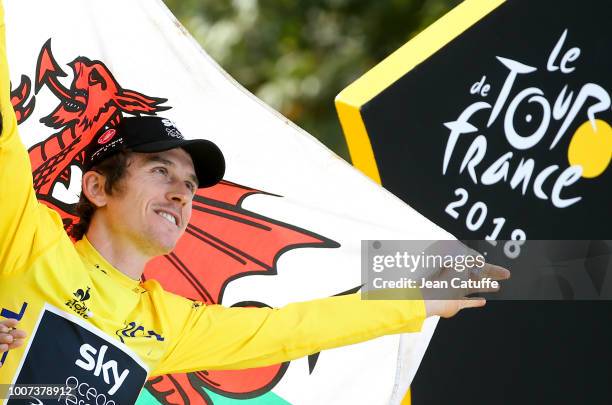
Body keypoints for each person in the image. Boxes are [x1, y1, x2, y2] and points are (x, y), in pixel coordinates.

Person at [0, 3, 508, 403]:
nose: (181, 192)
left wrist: (414, 302)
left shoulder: (167, 325)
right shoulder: (28, 239)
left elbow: (285, 331)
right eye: (161, 172)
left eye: (192, 185)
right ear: (96, 188)